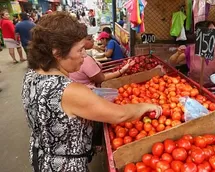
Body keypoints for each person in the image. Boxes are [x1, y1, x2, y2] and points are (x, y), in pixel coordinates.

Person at [22, 12, 161, 171]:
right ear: (57, 53)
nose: (84, 55)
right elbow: (119, 115)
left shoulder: (32, 75)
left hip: (41, 157)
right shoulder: (68, 90)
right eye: (80, 50)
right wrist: (143, 106)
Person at [169, 21, 215, 86]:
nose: (212, 34)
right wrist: (178, 53)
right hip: (194, 88)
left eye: (214, 31)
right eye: (209, 31)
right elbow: (171, 63)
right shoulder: (190, 49)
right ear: (200, 33)